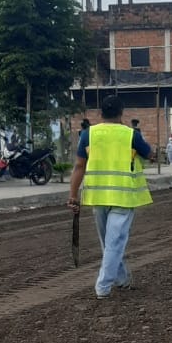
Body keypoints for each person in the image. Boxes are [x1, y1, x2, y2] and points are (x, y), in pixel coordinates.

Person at [67, 93, 152, 298]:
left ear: (100, 113)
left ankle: (118, 281)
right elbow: (150, 154)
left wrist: (73, 196)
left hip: (98, 196)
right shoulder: (131, 135)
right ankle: (105, 286)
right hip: (123, 197)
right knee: (113, 243)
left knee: (110, 243)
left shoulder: (88, 134)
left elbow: (79, 166)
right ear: (122, 113)